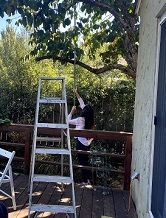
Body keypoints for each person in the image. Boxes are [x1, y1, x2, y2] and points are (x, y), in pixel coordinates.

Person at [68, 88, 94, 185]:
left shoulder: (80, 119)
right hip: (87, 143)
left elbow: (68, 121)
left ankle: (85, 181)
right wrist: (76, 93)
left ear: (84, 111)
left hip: (80, 143)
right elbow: (82, 104)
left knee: (82, 162)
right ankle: (87, 180)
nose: (82, 107)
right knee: (85, 161)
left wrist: (71, 112)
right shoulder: (90, 119)